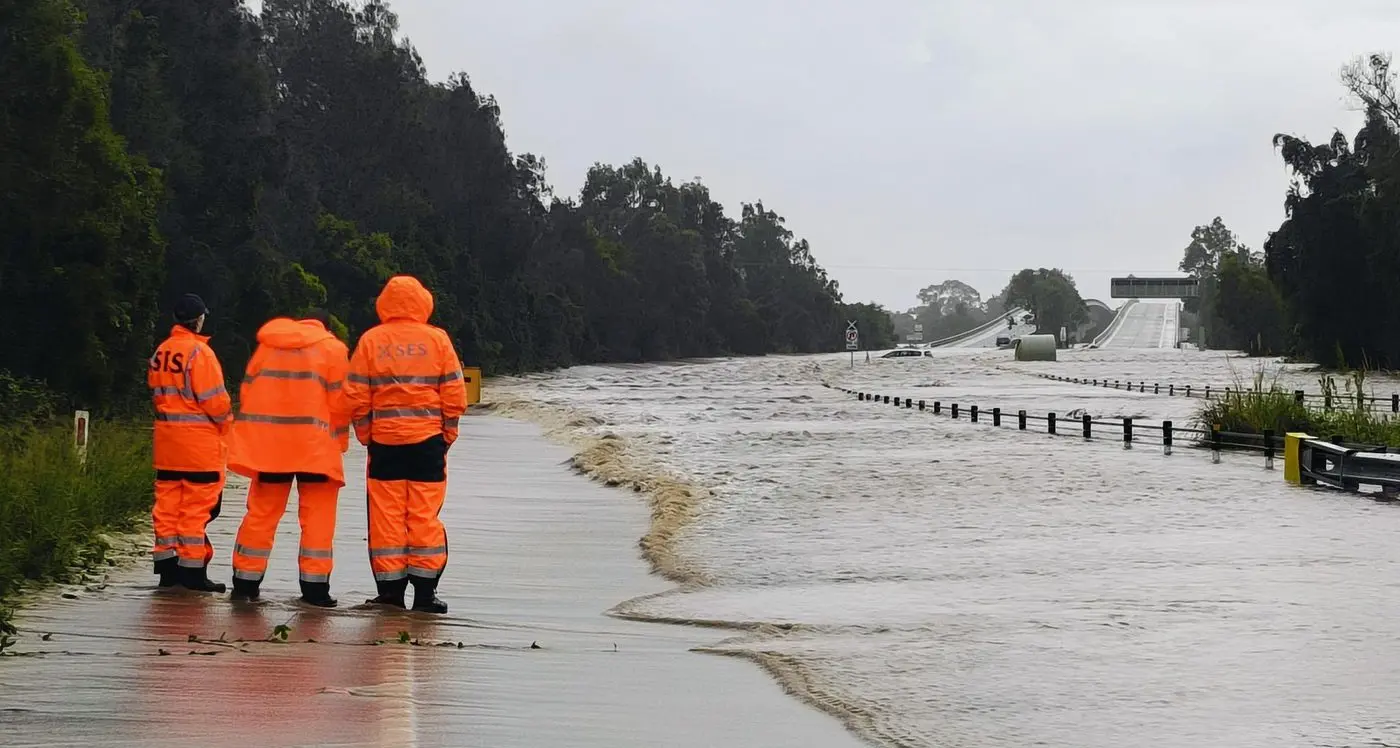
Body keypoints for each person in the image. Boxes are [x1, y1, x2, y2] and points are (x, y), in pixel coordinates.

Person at [345, 275, 468, 614]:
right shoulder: (438, 340)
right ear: (423, 302)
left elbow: (356, 394)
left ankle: (391, 594)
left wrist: (367, 434)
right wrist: (447, 435)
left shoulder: (371, 340)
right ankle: (426, 595)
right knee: (424, 516)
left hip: (385, 443)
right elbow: (455, 393)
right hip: (428, 444)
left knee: (386, 518)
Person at [226, 309, 351, 607]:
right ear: (326, 326)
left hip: (270, 448)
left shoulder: (267, 347)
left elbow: (247, 390)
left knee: (261, 515)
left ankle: (245, 583)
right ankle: (315, 590)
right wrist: (341, 443)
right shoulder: (333, 349)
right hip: (316, 448)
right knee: (317, 519)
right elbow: (342, 402)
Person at [148, 293, 232, 592]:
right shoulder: (201, 354)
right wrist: (227, 423)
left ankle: (167, 571)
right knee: (196, 511)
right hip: (199, 448)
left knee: (167, 508)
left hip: (167, 445)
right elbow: (215, 402)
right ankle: (193, 573)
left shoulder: (162, 351)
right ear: (199, 319)